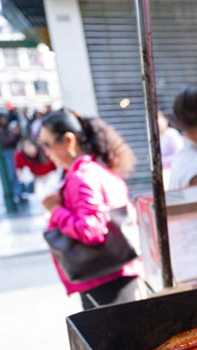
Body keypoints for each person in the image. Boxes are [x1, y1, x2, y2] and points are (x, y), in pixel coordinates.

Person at [38, 110, 143, 310]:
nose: (46, 152)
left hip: (106, 283)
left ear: (68, 140)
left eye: (47, 144)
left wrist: (56, 210)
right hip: (115, 277)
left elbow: (91, 230)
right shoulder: (94, 170)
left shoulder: (82, 177)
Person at [14, 137, 58, 201]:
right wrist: (23, 176)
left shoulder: (44, 151)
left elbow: (56, 163)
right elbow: (19, 169)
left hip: (51, 174)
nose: (29, 149)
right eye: (26, 147)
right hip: (37, 177)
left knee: (51, 193)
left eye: (30, 146)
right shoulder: (20, 155)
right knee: (41, 196)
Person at [158, 110, 184, 186]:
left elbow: (180, 152)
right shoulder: (159, 137)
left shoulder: (171, 133)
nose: (157, 123)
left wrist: (164, 161)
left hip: (173, 171)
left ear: (166, 120)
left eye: (159, 119)